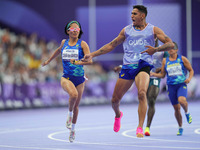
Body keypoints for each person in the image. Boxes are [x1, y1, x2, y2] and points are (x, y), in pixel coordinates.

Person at [82, 5, 174, 138]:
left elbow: (170, 44)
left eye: (135, 14)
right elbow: (111, 45)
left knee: (142, 93)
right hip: (128, 66)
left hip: (143, 65)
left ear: (142, 16)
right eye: (131, 14)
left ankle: (140, 127)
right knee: (114, 100)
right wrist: (92, 55)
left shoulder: (153, 30)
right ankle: (118, 115)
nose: (132, 16)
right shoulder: (126, 30)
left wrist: (155, 50)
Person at [42, 20, 92, 142]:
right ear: (68, 31)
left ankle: (73, 130)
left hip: (80, 79)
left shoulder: (83, 44)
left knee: (77, 106)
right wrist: (49, 60)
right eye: (73, 29)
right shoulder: (64, 42)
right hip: (66, 77)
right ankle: (69, 116)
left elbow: (90, 61)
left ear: (79, 32)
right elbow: (58, 50)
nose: (75, 31)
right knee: (73, 95)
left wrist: (78, 62)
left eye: (77, 30)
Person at [113, 39, 169, 136]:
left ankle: (144, 127)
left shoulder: (163, 52)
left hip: (153, 75)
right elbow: (134, 62)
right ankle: (118, 115)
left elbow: (166, 66)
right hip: (140, 73)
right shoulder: (141, 48)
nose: (154, 39)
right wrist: (121, 66)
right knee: (115, 100)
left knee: (149, 98)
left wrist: (159, 70)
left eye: (155, 37)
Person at [151, 42, 193, 136]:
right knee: (177, 109)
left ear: (176, 50)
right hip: (170, 86)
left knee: (182, 101)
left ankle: (187, 112)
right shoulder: (165, 61)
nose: (170, 50)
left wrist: (189, 78)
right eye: (169, 49)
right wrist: (153, 74)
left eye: (172, 48)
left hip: (181, 84)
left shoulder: (182, 59)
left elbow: (191, 70)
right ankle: (180, 127)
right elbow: (162, 75)